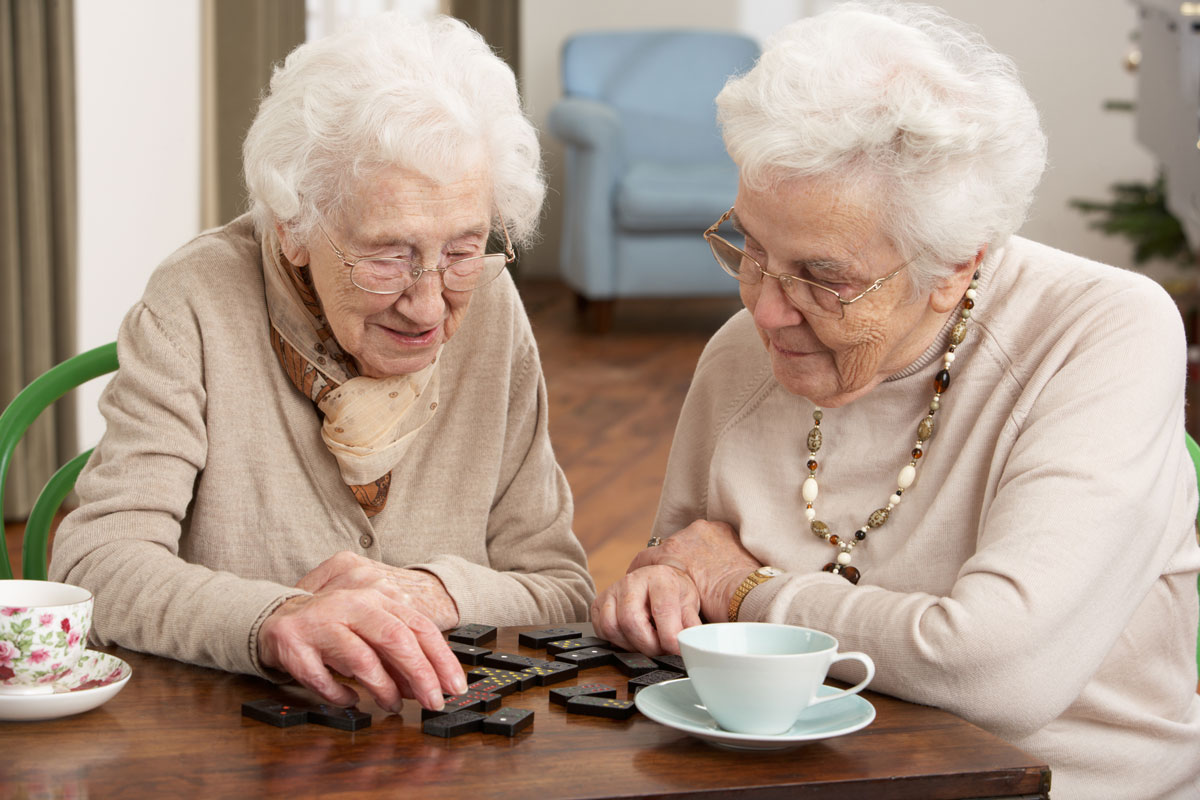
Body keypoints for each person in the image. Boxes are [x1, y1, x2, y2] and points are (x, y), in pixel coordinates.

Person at [591, 4, 1200, 797]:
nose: (767, 310)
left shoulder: (1099, 333)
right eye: (750, 248)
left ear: (954, 264)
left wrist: (746, 591)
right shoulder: (740, 356)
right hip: (788, 780)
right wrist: (658, 595)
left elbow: (998, 673)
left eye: (823, 276)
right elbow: (682, 594)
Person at [50, 14, 594, 714]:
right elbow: (98, 567)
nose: (428, 305)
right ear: (295, 227)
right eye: (386, 256)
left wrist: (427, 591)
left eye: (462, 248)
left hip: (437, 749)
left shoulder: (490, 303)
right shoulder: (197, 300)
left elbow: (560, 585)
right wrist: (274, 620)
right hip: (228, 746)